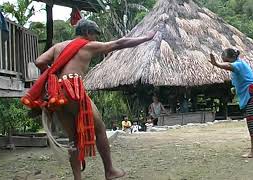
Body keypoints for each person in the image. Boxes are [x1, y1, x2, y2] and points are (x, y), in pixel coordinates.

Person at [21, 19, 156, 180]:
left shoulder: (58, 47)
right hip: (74, 90)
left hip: (57, 94)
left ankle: (77, 178)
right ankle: (110, 171)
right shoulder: (87, 45)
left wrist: (54, 73)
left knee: (73, 139)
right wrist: (146, 38)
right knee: (100, 129)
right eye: (95, 35)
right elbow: (120, 43)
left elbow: (39, 61)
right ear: (87, 33)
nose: (95, 38)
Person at [209, 48, 253, 158]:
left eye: (224, 59)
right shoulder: (241, 64)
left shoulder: (238, 64)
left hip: (252, 94)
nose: (223, 60)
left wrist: (217, 64)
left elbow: (230, 67)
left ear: (229, 58)